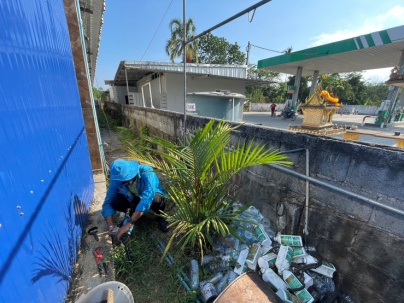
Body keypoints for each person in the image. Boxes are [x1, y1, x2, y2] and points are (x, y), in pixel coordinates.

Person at [102, 159, 169, 239]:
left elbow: (147, 198)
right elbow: (108, 202)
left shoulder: (147, 172)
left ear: (132, 172)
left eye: (127, 179)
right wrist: (111, 225)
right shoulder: (116, 180)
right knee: (115, 201)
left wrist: (130, 223)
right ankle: (134, 213)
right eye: (122, 181)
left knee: (156, 198)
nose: (125, 183)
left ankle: (160, 216)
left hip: (149, 198)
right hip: (133, 199)